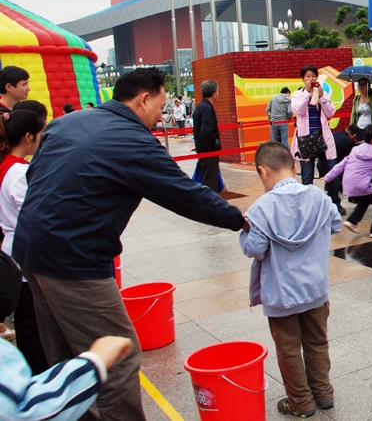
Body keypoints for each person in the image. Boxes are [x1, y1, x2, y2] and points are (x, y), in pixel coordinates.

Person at [12, 67, 248, 421]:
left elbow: (35, 176)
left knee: (66, 354)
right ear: (143, 98)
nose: (160, 117)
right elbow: (183, 192)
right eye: (160, 107)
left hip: (29, 249)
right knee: (118, 357)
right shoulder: (131, 138)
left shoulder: (67, 123)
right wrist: (238, 219)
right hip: (74, 260)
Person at [239, 142, 341, 418]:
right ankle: (324, 393)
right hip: (316, 290)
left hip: (281, 295)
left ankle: (300, 402)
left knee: (289, 350)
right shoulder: (319, 197)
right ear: (295, 167)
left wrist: (244, 232)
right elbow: (336, 224)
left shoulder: (261, 208)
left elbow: (254, 248)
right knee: (317, 342)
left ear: (263, 171)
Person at [0, 251, 135, 421]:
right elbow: (25, 411)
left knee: (60, 350)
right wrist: (94, 363)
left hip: (38, 254)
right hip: (68, 255)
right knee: (120, 367)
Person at [0, 108, 49, 373]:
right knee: (32, 324)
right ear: (29, 137)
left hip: (11, 248)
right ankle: (36, 374)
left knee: (27, 320)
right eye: (41, 133)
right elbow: (32, 213)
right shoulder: (18, 171)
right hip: (22, 253)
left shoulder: (6, 164)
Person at [292, 66, 340, 211]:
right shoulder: (298, 94)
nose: (310, 79)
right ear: (302, 79)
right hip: (306, 141)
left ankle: (335, 203)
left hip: (322, 140)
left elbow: (331, 112)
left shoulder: (322, 93)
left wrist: (321, 96)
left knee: (332, 173)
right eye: (307, 76)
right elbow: (299, 110)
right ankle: (307, 207)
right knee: (307, 176)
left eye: (313, 76)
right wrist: (308, 94)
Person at [193, 80, 223, 193]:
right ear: (214, 93)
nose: (218, 94)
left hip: (203, 150)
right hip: (208, 152)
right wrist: (214, 144)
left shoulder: (200, 107)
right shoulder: (207, 109)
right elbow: (206, 131)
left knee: (207, 181)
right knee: (210, 184)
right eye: (218, 91)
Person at [329, 124, 360, 215]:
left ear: (346, 128)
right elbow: (349, 159)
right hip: (335, 166)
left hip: (323, 163)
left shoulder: (334, 134)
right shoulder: (349, 142)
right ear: (354, 135)